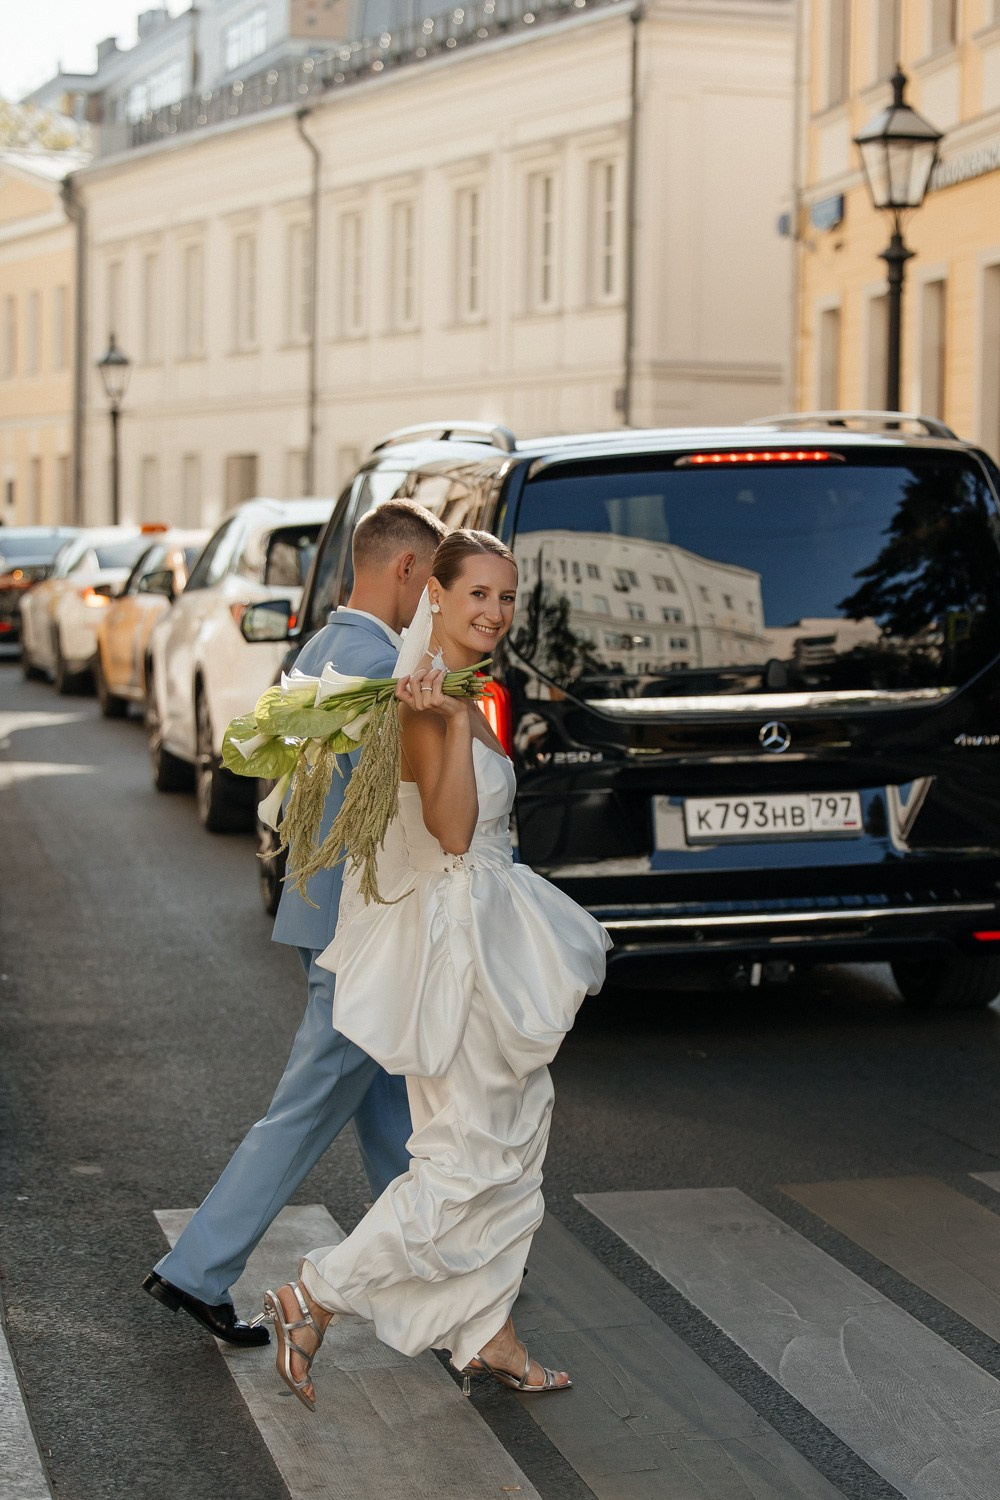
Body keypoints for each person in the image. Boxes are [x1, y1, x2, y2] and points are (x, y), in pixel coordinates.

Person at [260, 530, 610, 1406]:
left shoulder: (459, 690)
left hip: (489, 936)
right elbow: (454, 836)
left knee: (511, 1143)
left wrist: (464, 714)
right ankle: (314, 1294)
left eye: (507, 598)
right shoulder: (423, 703)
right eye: (478, 596)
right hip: (459, 954)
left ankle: (490, 1334)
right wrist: (449, 723)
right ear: (437, 599)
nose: (495, 613)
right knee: (466, 1160)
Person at [142, 500, 447, 1345]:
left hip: (328, 914)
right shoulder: (376, 666)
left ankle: (434, 1265)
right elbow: (395, 808)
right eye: (434, 581)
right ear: (407, 571)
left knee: (391, 1110)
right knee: (306, 1112)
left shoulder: (322, 646)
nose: (436, 601)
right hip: (361, 929)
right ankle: (196, 1270)